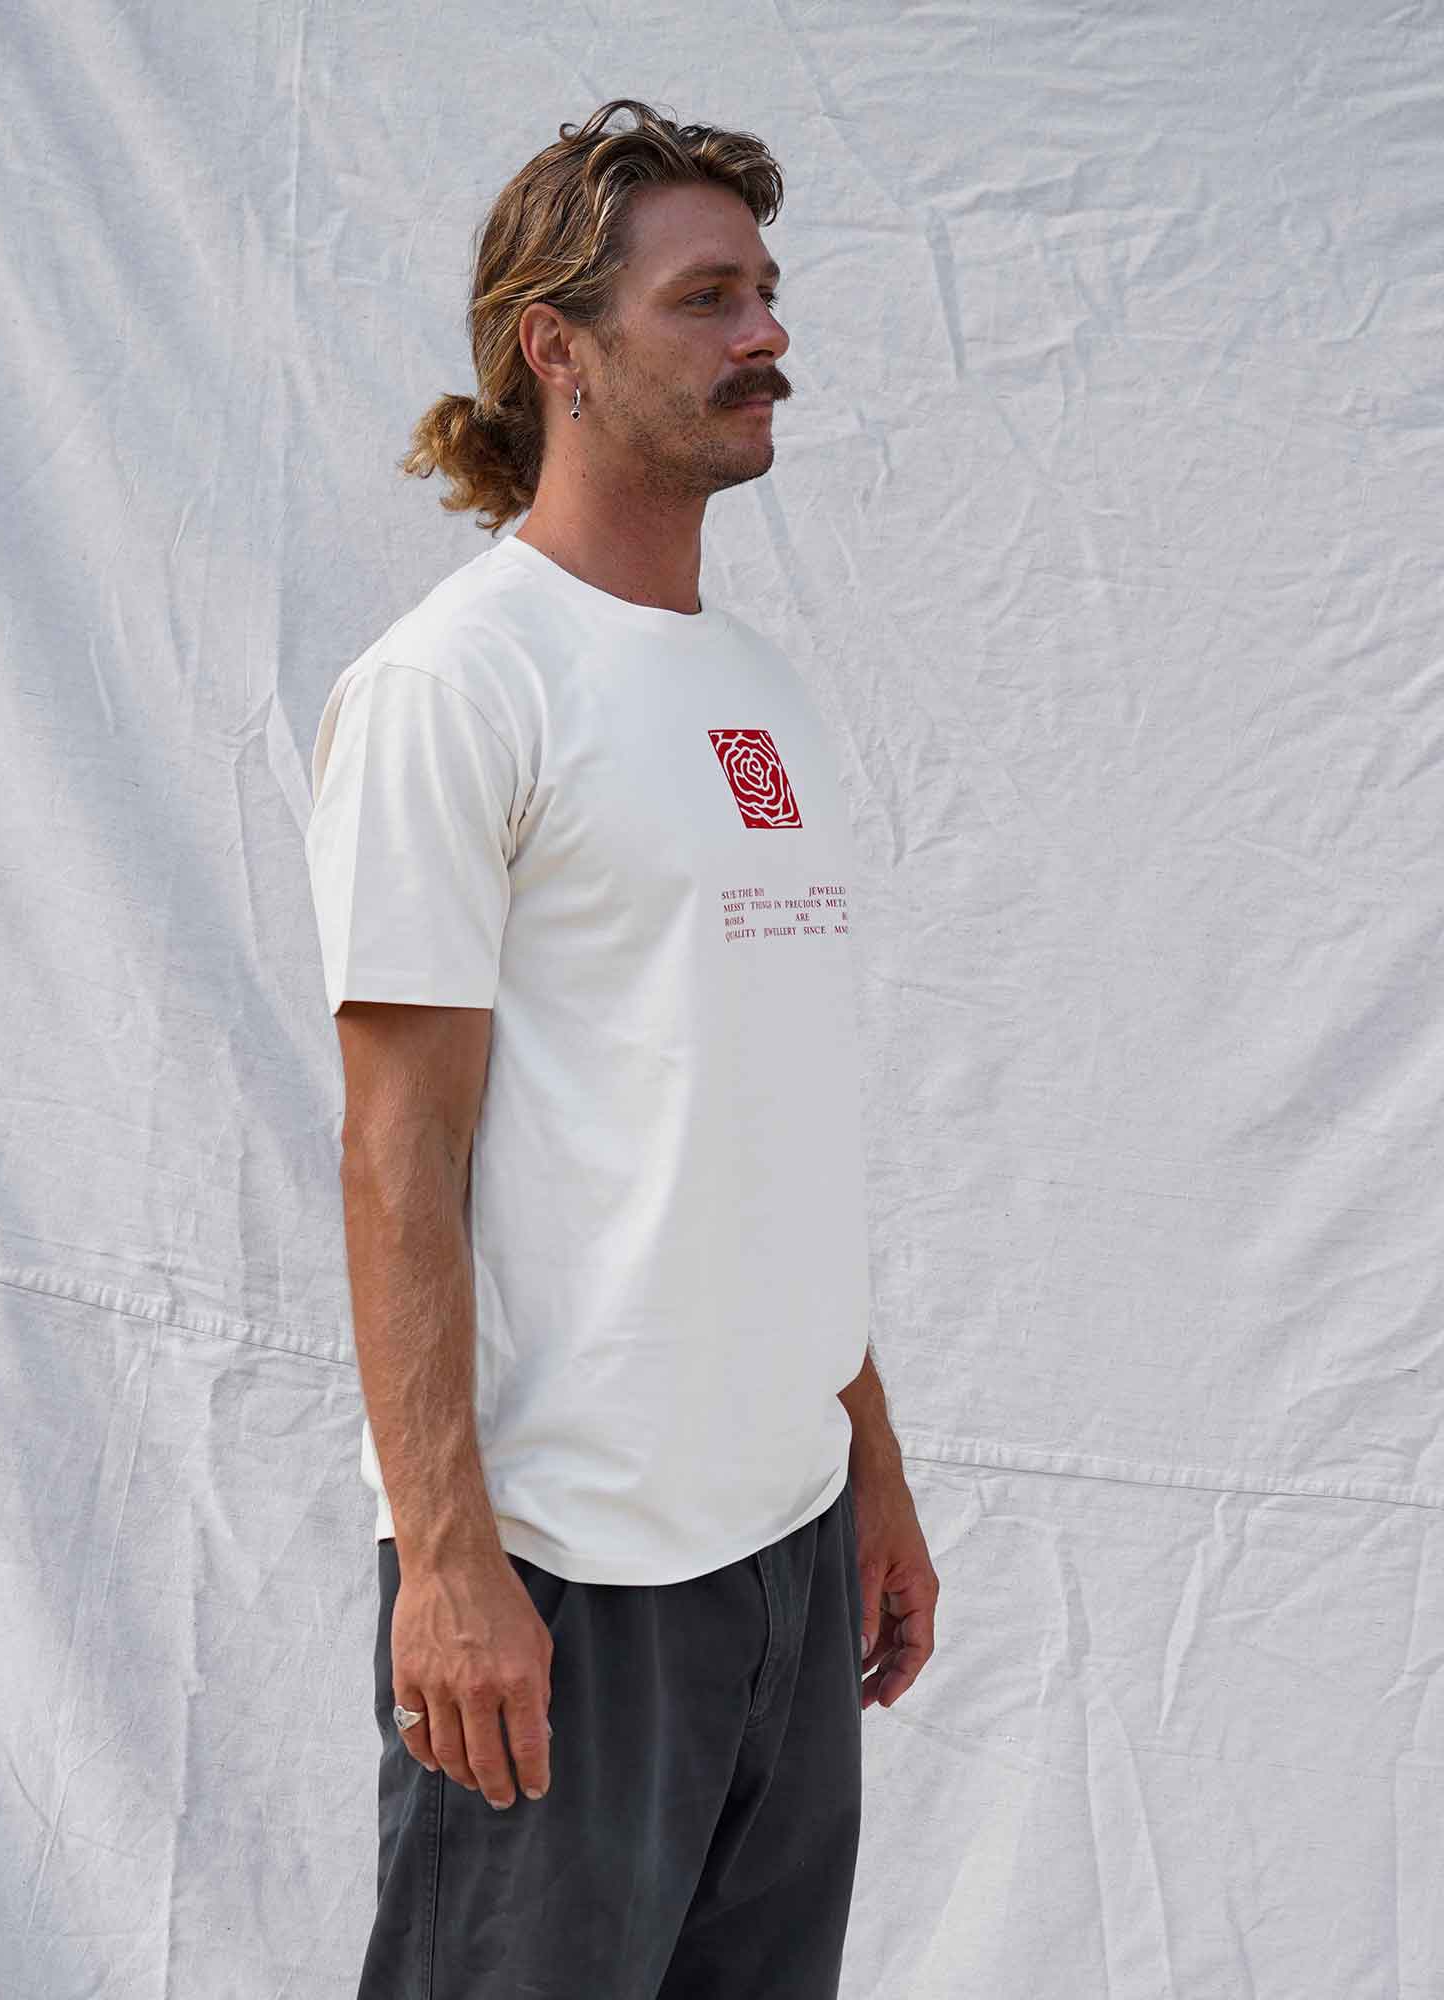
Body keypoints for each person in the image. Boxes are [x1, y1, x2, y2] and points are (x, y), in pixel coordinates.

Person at [303, 96, 939, 2000]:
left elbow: (767, 1119)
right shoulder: (458, 683)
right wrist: (446, 1562)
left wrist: (868, 1465)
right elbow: (396, 1145)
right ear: (554, 347)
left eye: (765, 293)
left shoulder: (756, 691)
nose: (765, 337)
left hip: (780, 1546)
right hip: (564, 1577)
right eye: (706, 299)